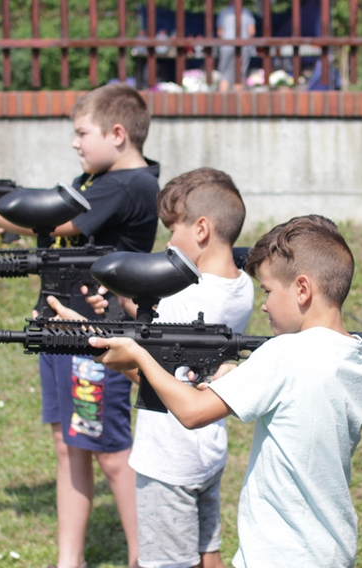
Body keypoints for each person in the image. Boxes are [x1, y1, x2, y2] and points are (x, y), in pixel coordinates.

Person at [0, 82, 159, 568]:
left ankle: (144, 558)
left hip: (97, 335)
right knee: (68, 444)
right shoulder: (98, 181)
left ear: (118, 133)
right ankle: (70, 559)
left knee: (109, 451)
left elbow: (60, 224)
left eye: (83, 133)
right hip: (62, 328)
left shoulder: (128, 184)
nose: (76, 143)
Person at [88, 215, 362, 568]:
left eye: (270, 291)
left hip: (277, 555)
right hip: (330, 549)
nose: (265, 304)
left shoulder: (285, 353)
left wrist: (140, 357)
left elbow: (193, 413)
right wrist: (234, 375)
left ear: (302, 289)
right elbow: (300, 398)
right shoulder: (359, 354)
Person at [59, 167, 254, 568]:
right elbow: (164, 334)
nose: (168, 243)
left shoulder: (191, 300)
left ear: (201, 229)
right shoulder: (239, 286)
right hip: (207, 449)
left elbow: (150, 367)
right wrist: (120, 306)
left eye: (172, 231)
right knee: (207, 551)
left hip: (169, 457)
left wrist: (88, 335)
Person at [216, 0, 255, 92]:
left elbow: (220, 32)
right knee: (240, 74)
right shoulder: (246, 12)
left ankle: (222, 102)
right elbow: (251, 31)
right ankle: (238, 103)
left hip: (226, 46)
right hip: (243, 46)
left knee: (224, 74)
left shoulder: (224, 13)